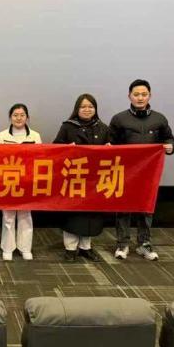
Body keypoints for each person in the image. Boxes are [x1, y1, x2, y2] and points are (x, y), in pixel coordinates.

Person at [109, 79, 174, 261]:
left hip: (148, 173)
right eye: (136, 94)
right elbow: (110, 143)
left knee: (146, 208)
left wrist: (170, 147)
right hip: (125, 172)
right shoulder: (119, 119)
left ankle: (144, 244)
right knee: (123, 207)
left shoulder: (159, 119)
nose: (140, 98)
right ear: (129, 96)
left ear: (150, 96)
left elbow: (169, 139)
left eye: (144, 94)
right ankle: (122, 244)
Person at [53, 94, 111, 262]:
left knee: (90, 214)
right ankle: (70, 249)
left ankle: (86, 247)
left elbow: (111, 150)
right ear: (77, 109)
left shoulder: (103, 128)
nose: (87, 110)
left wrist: (109, 148)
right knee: (73, 214)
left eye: (90, 107)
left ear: (95, 109)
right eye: (83, 107)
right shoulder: (68, 126)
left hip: (94, 179)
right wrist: (65, 148)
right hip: (74, 178)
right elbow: (55, 148)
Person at [0, 104, 41, 261]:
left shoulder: (35, 136)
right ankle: (8, 248)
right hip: (8, 180)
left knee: (25, 215)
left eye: (22, 115)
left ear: (27, 117)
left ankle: (25, 248)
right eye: (15, 115)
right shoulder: (1, 136)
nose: (19, 118)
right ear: (10, 117)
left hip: (27, 181)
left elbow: (41, 158)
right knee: (8, 215)